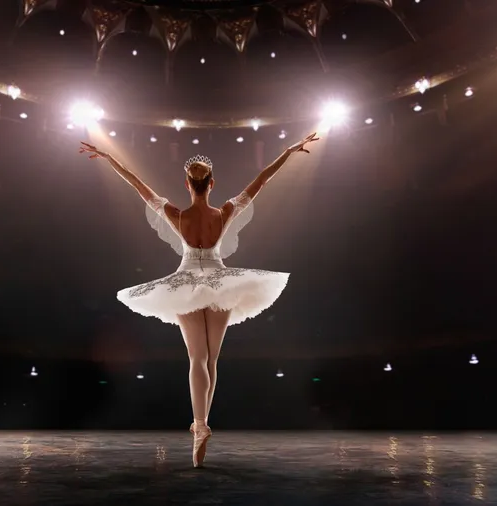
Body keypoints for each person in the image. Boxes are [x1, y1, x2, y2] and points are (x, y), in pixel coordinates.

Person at [78, 132, 319, 467]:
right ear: (212, 184)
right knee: (212, 360)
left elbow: (137, 184)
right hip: (220, 281)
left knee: (196, 358)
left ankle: (200, 424)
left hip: (187, 281)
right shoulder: (225, 212)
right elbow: (262, 180)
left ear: (187, 184)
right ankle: (203, 422)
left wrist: (109, 158)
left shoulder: (177, 215)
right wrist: (288, 152)